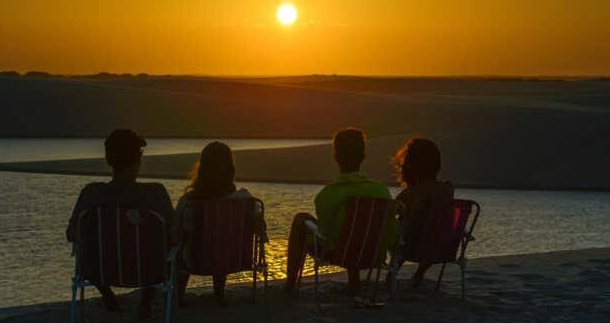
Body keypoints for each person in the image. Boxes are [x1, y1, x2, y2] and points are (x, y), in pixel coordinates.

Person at [66, 129, 173, 318]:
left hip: (99, 270)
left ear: (108, 159)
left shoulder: (92, 194)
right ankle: (146, 303)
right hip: (149, 271)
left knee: (89, 248)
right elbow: (173, 234)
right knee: (168, 249)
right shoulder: (155, 193)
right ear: (138, 159)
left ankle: (107, 294)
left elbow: (72, 234)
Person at [283, 127, 394, 294]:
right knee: (353, 230)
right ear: (363, 157)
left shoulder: (328, 194)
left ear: (336, 157)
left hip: (339, 254)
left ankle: (290, 285)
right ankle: (353, 279)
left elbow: (325, 233)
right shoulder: (382, 191)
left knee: (301, 219)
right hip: (373, 255)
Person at [173, 141, 260, 305]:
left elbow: (176, 235)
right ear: (231, 171)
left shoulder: (190, 202)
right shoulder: (245, 201)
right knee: (222, 240)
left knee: (179, 250)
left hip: (195, 261)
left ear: (202, 169)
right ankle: (219, 293)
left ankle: (179, 295)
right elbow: (258, 230)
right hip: (231, 259)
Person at [390, 137, 454, 289]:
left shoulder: (411, 193)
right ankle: (419, 274)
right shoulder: (446, 190)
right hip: (441, 247)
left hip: (412, 247)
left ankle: (391, 273)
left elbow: (389, 213)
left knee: (398, 231)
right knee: (428, 231)